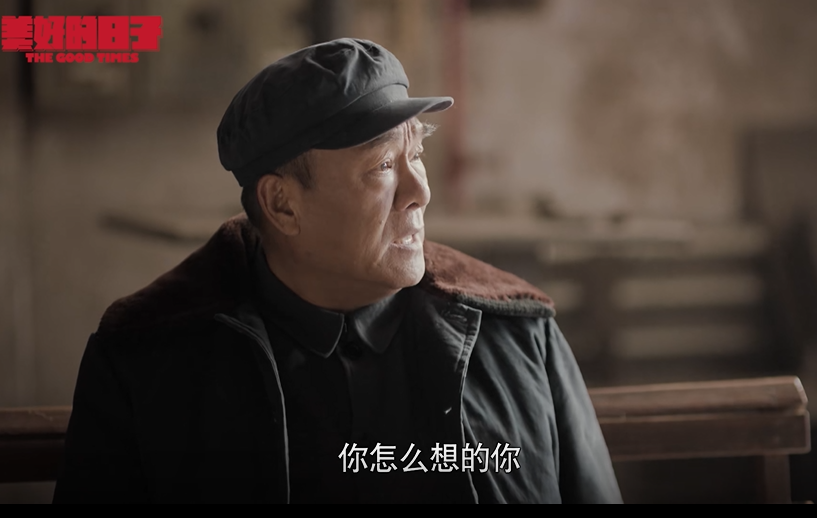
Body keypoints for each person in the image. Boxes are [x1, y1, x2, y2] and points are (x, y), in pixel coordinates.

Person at [53, 38, 621, 504]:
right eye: (382, 165)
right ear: (282, 205)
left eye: (416, 154)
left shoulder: (518, 335)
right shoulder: (148, 362)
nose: (420, 192)